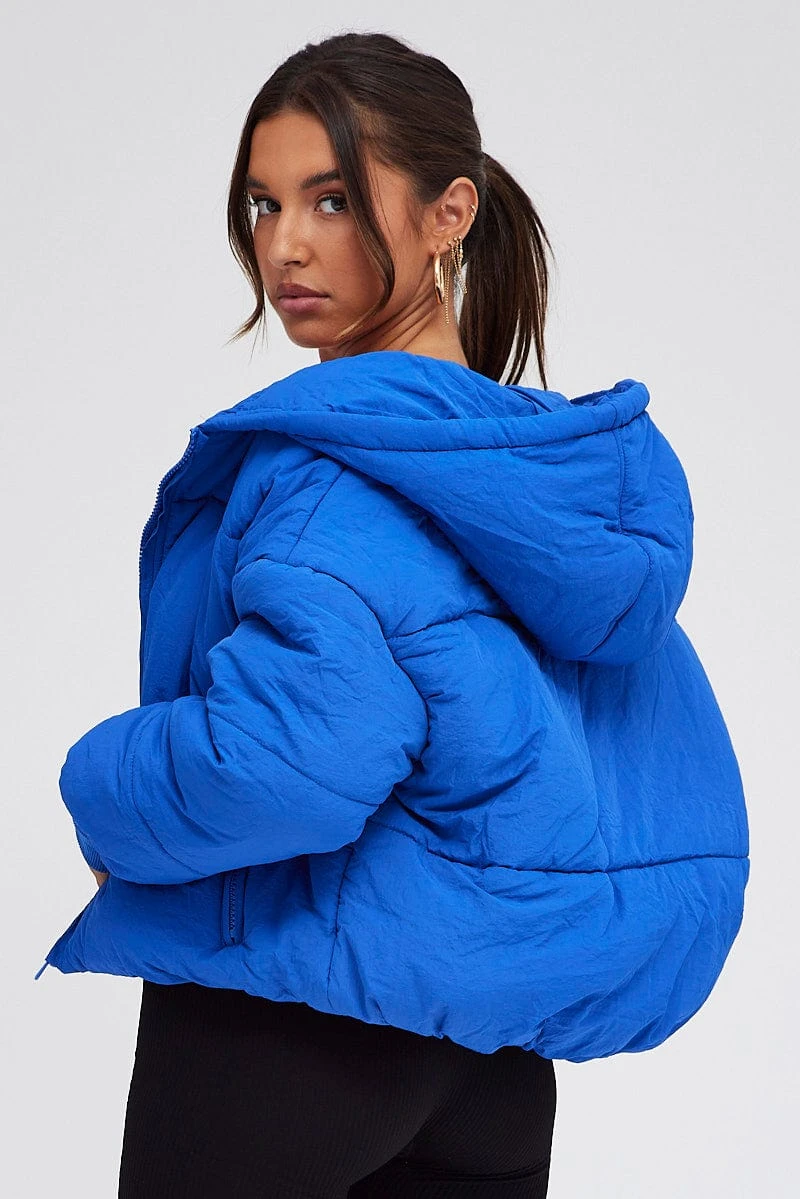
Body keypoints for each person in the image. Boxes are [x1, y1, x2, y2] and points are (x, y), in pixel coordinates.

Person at [35, 30, 750, 1199]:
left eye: (330, 198)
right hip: (491, 1064)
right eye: (263, 203)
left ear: (447, 213)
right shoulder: (538, 480)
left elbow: (298, 755)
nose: (285, 243)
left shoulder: (329, 464)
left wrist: (101, 786)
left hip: (290, 1030)